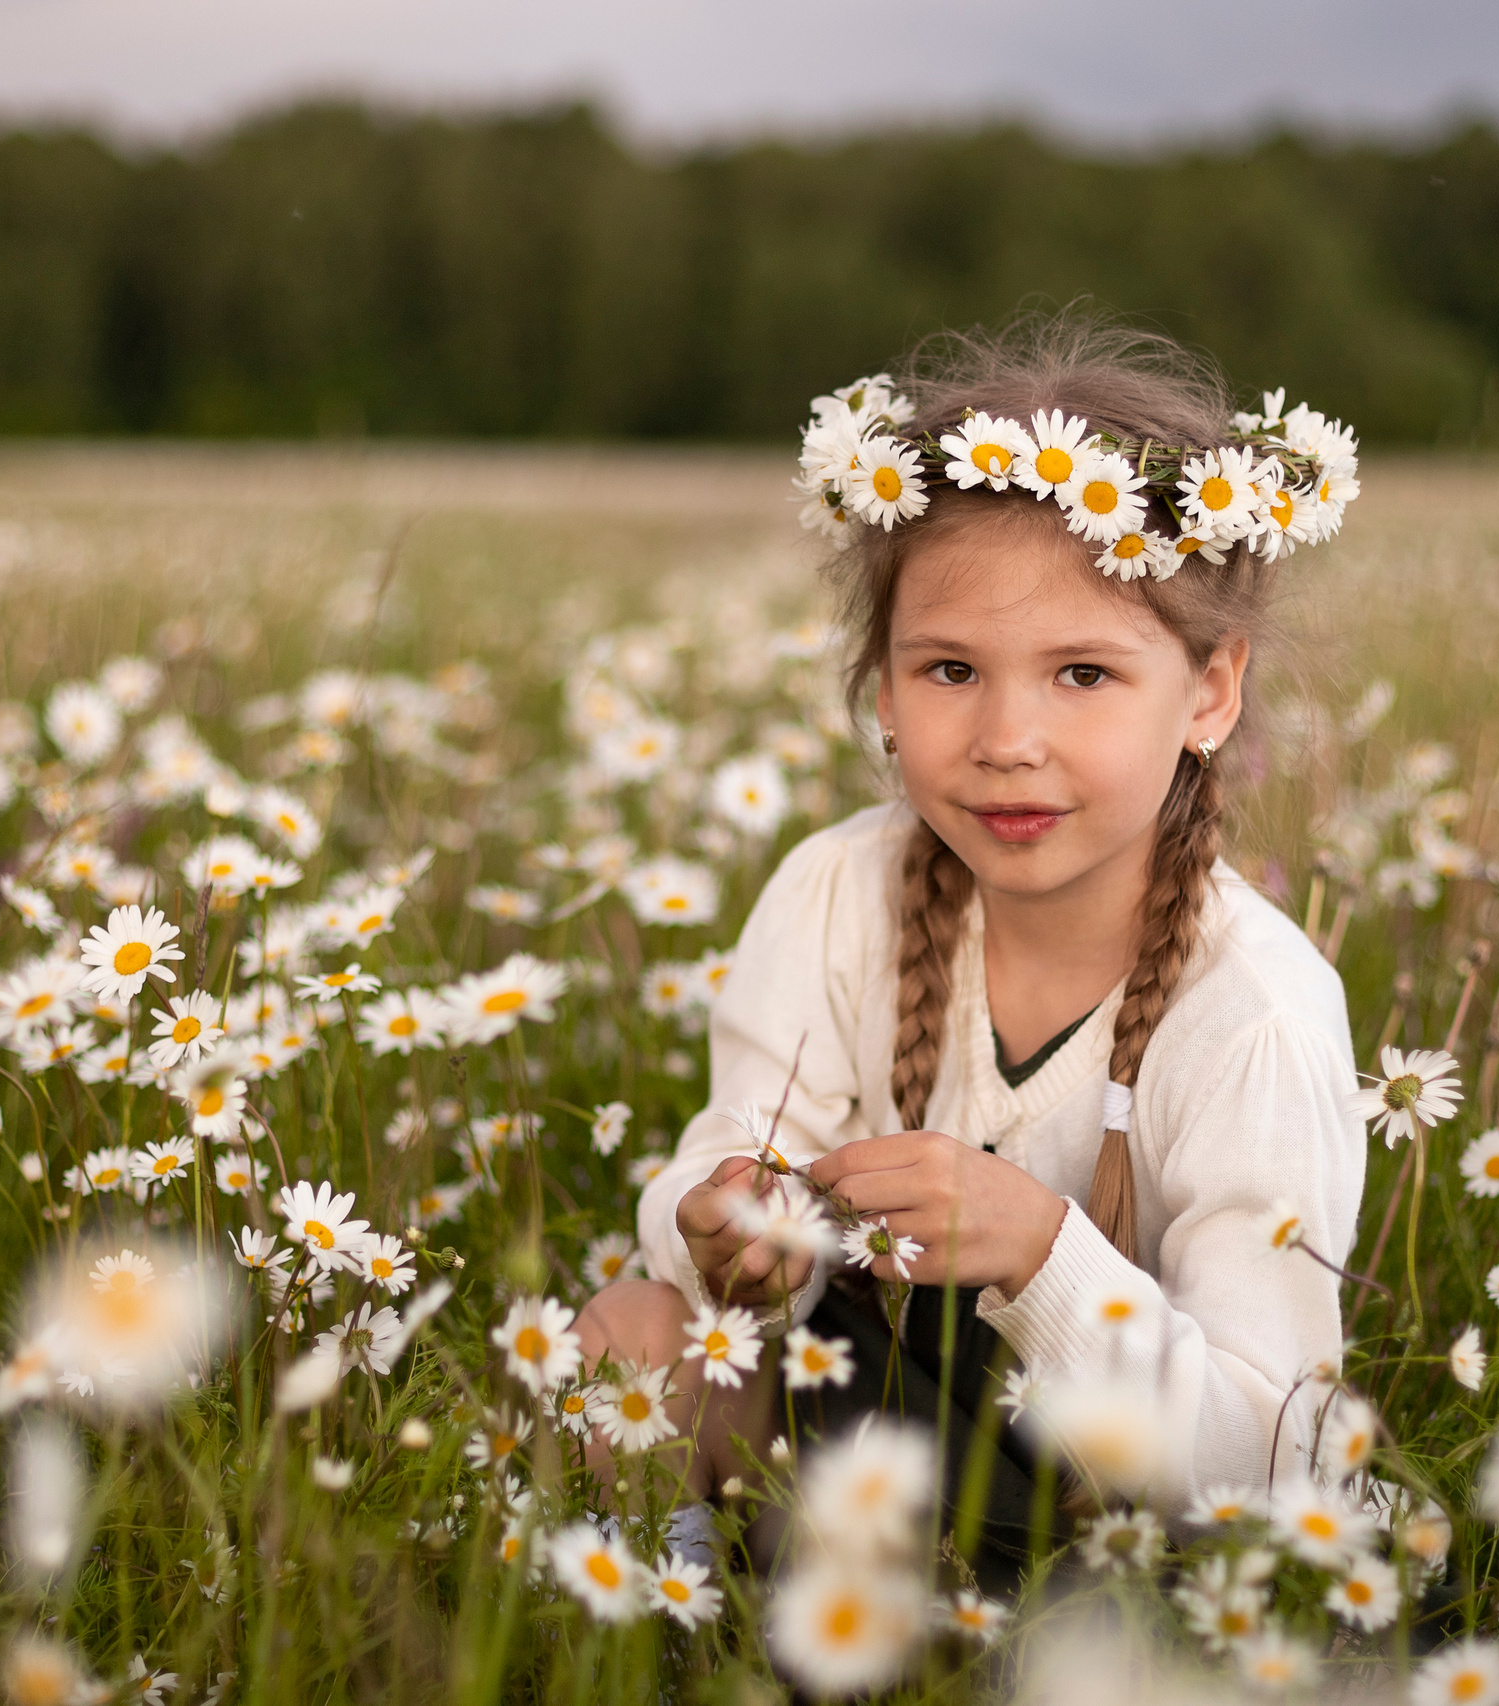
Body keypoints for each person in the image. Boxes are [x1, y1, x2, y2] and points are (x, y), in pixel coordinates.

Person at [575, 313, 1367, 1579]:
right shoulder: (839, 892)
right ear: (881, 690)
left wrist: (1043, 1251)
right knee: (627, 1331)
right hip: (858, 1433)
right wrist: (725, 1214)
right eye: (949, 668)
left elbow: (1273, 1454)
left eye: (1082, 675)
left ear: (1209, 692)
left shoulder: (1253, 1010)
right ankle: (674, 1610)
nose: (1006, 736)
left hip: (1110, 1527)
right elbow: (735, 1138)